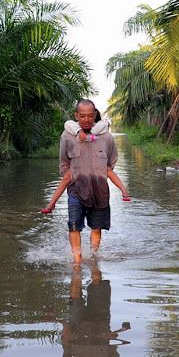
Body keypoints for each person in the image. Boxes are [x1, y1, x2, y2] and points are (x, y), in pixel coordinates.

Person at [45, 100, 123, 263]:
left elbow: (111, 163)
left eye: (90, 115)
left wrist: (121, 188)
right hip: (75, 189)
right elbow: (64, 163)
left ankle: (93, 257)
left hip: (99, 191)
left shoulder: (106, 137)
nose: (86, 119)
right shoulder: (67, 136)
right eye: (82, 116)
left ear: (95, 115)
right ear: (76, 116)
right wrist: (72, 175)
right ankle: (77, 260)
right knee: (74, 224)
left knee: (96, 227)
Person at [40, 114, 130, 215]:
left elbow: (109, 170)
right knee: (68, 178)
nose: (87, 121)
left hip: (97, 190)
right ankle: (51, 204)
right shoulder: (74, 132)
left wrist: (123, 190)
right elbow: (69, 124)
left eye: (90, 116)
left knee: (93, 228)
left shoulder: (99, 135)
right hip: (82, 187)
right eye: (83, 117)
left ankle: (51, 204)